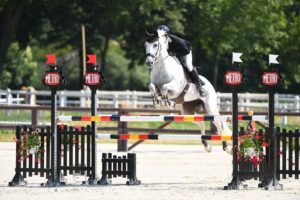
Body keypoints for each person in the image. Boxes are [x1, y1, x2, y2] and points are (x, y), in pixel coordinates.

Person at [157, 25, 206, 97]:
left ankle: (199, 85)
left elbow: (185, 51)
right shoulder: (160, 42)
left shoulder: (176, 40)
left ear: (166, 34)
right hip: (174, 54)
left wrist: (175, 53)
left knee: (188, 65)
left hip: (186, 51)